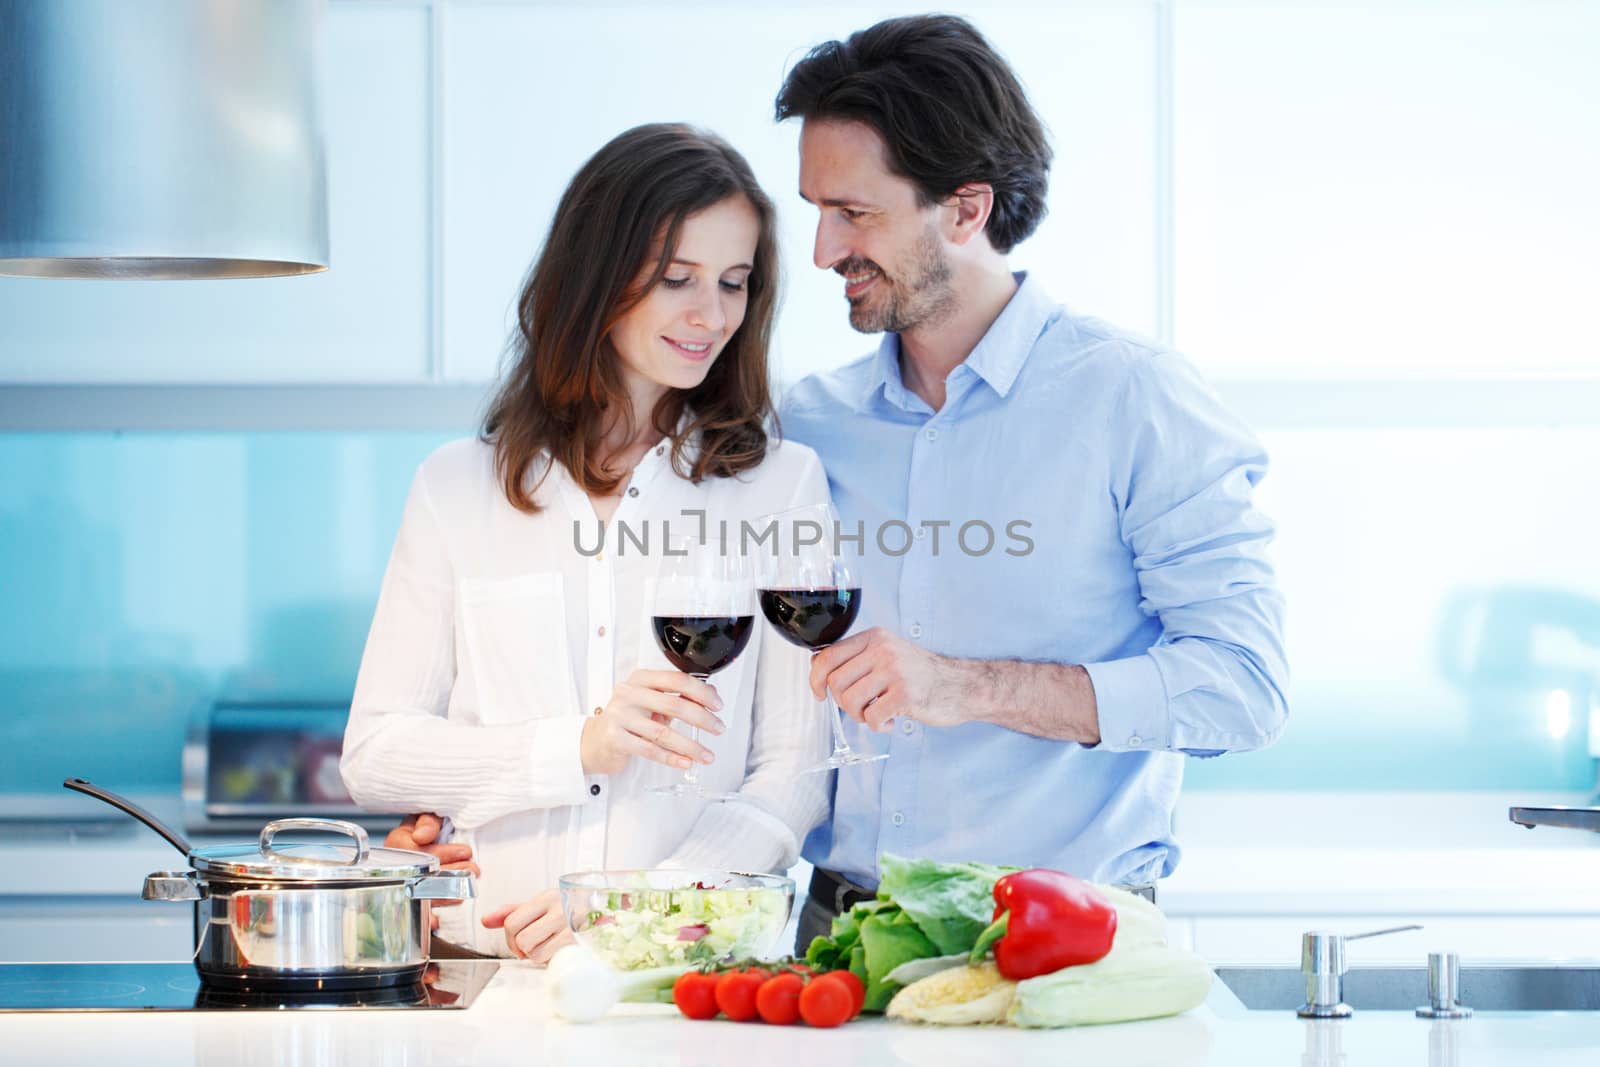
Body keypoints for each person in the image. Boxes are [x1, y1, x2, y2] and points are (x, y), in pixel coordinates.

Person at [771, 15, 1290, 949]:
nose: (820, 251)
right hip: (832, 941)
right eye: (815, 209)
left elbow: (1243, 687)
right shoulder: (807, 425)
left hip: (1063, 944)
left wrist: (968, 686)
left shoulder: (1135, 399)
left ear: (966, 210)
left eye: (854, 213)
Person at [340, 123, 830, 961]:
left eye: (734, 282)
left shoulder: (781, 486)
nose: (711, 315)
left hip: (684, 982)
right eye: (677, 278)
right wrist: (579, 746)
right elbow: (377, 753)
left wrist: (632, 911)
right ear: (597, 278)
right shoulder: (458, 486)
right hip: (478, 967)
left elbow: (791, 777)